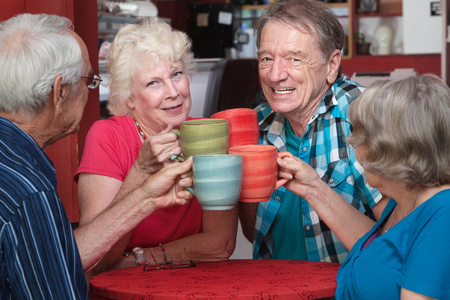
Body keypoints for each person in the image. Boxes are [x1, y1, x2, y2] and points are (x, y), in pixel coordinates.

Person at [0, 13, 195, 299]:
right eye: (88, 81)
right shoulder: (30, 192)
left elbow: (59, 259)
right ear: (59, 93)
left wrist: (144, 197)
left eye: (177, 74)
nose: (91, 92)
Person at [75, 19, 238, 276]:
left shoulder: (209, 133)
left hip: (193, 285)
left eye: (176, 74)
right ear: (129, 97)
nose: (173, 92)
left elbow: (220, 245)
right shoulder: (107, 136)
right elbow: (97, 256)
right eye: (153, 83)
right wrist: (140, 171)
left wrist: (139, 259)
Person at [239, 0, 387, 263]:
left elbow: (398, 241)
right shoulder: (255, 126)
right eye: (266, 58)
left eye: (295, 59)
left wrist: (315, 190)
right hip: (274, 288)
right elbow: (255, 234)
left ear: (331, 65)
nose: (275, 75)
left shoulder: (366, 117)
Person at [278, 74, 450, 299]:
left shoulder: (442, 213)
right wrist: (311, 187)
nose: (356, 151)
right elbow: (377, 248)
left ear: (391, 150)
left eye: (361, 139)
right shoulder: (407, 199)